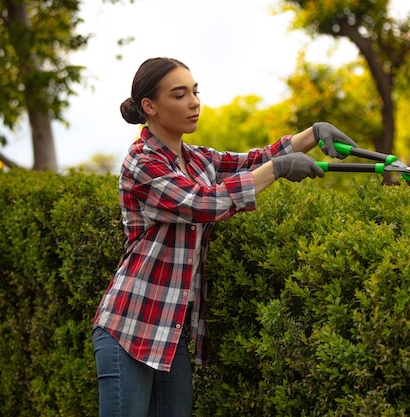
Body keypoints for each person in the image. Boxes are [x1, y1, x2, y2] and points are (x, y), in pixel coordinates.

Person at [91, 57, 358, 417]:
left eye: (195, 92)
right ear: (149, 107)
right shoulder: (141, 162)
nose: (194, 102)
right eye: (179, 94)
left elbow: (255, 160)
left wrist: (312, 133)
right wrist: (276, 170)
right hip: (129, 327)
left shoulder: (198, 160)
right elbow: (201, 203)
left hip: (170, 334)